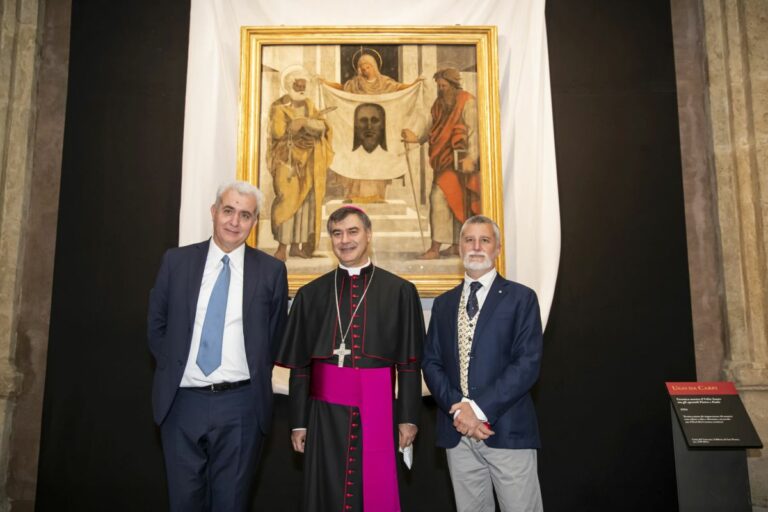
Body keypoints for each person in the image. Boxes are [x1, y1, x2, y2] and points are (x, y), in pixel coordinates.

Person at [147, 181, 288, 511]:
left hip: (242, 406)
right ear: (214, 212)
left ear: (255, 223)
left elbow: (275, 335)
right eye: (228, 211)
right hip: (182, 402)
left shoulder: (271, 271)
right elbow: (156, 326)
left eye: (245, 215)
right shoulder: (176, 262)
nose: (234, 222)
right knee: (183, 502)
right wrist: (173, 368)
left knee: (231, 504)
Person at [276, 205, 424, 512]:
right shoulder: (310, 294)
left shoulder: (400, 291)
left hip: (379, 406)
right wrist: (298, 423)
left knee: (373, 492)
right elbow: (302, 368)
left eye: (353, 231)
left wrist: (408, 417)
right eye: (337, 233)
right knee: (325, 489)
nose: (345, 240)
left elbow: (409, 364)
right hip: (324, 412)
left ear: (369, 235)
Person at [422, 215, 544, 512]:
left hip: (506, 431)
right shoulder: (443, 304)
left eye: (484, 240)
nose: (476, 247)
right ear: (459, 247)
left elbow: (526, 364)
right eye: (468, 240)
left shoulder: (521, 299)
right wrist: (460, 411)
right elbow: (431, 362)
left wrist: (477, 410)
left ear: (498, 248)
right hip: (457, 435)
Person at [402, 67, 480, 259]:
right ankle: (451, 245)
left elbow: (475, 132)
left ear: (454, 85)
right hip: (444, 161)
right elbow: (432, 128)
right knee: (448, 201)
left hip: (462, 162)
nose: (441, 90)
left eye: (444, 86)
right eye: (439, 86)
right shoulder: (439, 104)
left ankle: (436, 248)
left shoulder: (467, 101)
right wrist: (415, 137)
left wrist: (472, 157)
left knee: (442, 199)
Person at [324, 53, 421, 203]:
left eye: (368, 66)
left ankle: (377, 196)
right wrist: (325, 83)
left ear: (374, 67)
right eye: (362, 67)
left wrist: (414, 84)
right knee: (357, 160)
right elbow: (342, 88)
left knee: (378, 160)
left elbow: (399, 87)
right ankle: (354, 195)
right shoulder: (355, 84)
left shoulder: (384, 83)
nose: (365, 70)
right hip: (359, 131)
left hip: (378, 132)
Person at [268, 66, 334, 261]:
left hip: (309, 161)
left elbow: (323, 126)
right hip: (287, 161)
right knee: (287, 199)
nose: (302, 87)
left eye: (304, 85)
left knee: (305, 203)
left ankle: (297, 246)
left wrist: (305, 123)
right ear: (290, 85)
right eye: (298, 84)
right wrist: (294, 126)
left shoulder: (309, 105)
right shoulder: (278, 107)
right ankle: (282, 247)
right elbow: (277, 133)